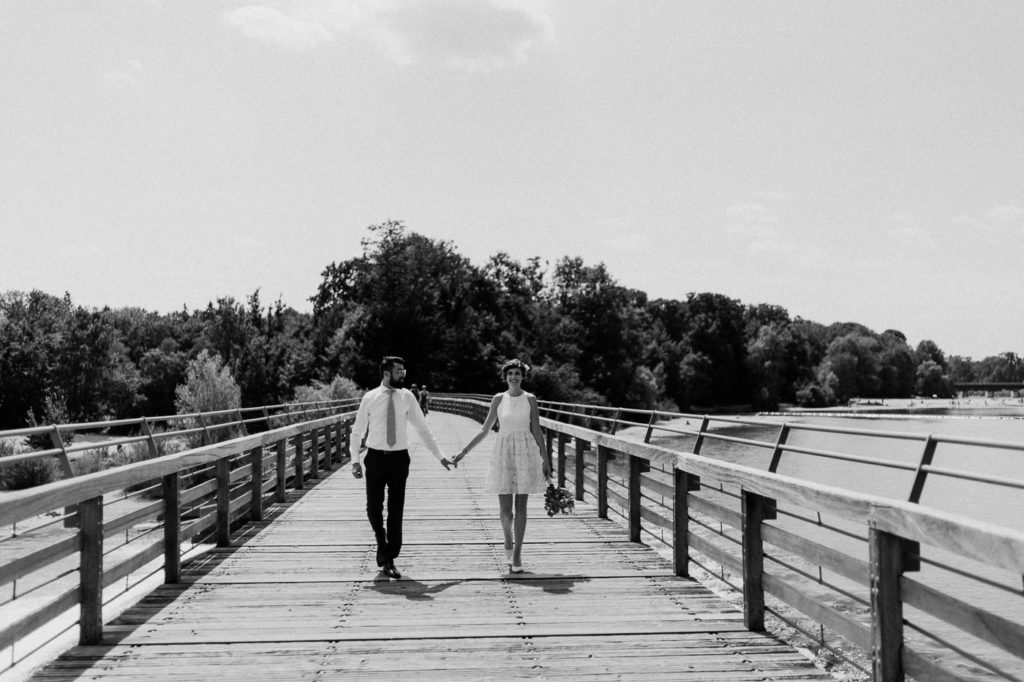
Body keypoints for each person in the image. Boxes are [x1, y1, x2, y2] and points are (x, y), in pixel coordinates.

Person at [351, 356, 454, 579]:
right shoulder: (370, 397)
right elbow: (357, 431)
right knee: (373, 508)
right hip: (375, 458)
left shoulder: (407, 397)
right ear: (387, 373)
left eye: (403, 371)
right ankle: (382, 540)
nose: (403, 374)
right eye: (399, 371)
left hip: (399, 459)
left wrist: (440, 456)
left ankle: (389, 557)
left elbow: (423, 429)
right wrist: (355, 461)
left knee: (396, 510)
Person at [452, 359, 551, 573]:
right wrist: (463, 453)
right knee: (506, 511)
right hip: (503, 452)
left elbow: (536, 429)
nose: (514, 377)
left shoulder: (530, 399)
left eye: (517, 373)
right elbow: (485, 429)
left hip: (525, 452)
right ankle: (508, 539)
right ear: (505, 377)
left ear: (523, 376)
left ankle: (517, 554)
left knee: (521, 507)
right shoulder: (498, 399)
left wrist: (546, 459)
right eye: (510, 374)